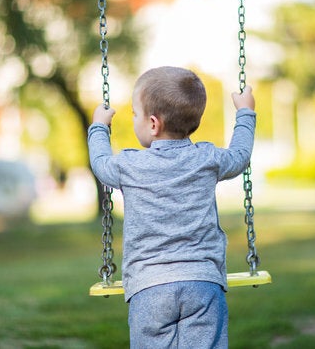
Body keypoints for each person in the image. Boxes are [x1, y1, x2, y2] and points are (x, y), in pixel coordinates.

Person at [88, 66, 256, 348]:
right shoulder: (207, 158)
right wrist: (245, 112)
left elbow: (101, 164)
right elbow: (240, 155)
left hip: (150, 287)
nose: (132, 119)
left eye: (134, 113)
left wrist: (99, 126)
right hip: (203, 284)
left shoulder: (130, 165)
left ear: (153, 124)